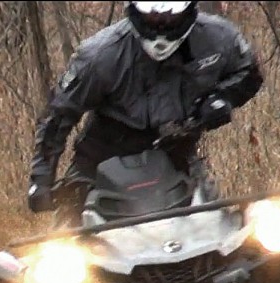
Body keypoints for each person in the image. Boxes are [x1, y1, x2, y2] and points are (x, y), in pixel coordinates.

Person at [26, 1, 264, 215]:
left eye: (170, 16)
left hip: (177, 155)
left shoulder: (218, 38)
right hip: (100, 161)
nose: (161, 25)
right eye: (153, 16)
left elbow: (249, 72)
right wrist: (41, 180)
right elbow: (57, 115)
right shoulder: (100, 55)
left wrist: (221, 98)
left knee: (215, 223)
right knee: (66, 240)